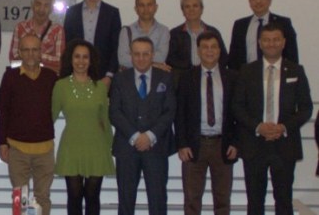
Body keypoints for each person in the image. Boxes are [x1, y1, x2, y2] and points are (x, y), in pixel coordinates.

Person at [232, 23, 312, 215]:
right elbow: (237, 106)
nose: (271, 43)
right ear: (260, 43)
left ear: (283, 42)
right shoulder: (247, 71)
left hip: (285, 145)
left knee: (284, 201)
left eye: (276, 39)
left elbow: (306, 108)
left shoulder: (296, 71)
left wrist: (283, 127)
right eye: (267, 40)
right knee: (255, 202)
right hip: (254, 145)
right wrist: (258, 127)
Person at [109, 37, 176, 215]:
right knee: (125, 201)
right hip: (126, 148)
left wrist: (150, 136)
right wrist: (135, 136)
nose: (141, 58)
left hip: (156, 148)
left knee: (158, 201)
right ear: (131, 55)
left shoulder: (166, 78)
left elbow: (170, 111)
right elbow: (114, 112)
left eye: (145, 54)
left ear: (152, 55)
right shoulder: (119, 79)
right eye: (137, 54)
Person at [175, 31, 238, 215]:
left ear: (219, 50)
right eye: (205, 47)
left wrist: (236, 142)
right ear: (198, 51)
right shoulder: (187, 77)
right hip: (195, 145)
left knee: (223, 199)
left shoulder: (232, 77)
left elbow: (238, 113)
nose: (209, 51)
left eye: (213, 47)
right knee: (192, 200)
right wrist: (182, 144)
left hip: (223, 144)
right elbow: (180, 113)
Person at [52, 39, 115, 215]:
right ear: (70, 59)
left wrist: (111, 146)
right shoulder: (60, 86)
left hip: (97, 148)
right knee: (74, 197)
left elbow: (105, 120)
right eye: (77, 56)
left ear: (91, 60)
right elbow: (50, 117)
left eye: (85, 57)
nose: (81, 61)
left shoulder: (100, 87)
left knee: (93, 196)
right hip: (71, 148)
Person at [0, 35, 58, 215]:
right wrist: (2, 143)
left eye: (35, 50)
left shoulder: (51, 77)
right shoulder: (10, 76)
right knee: (20, 198)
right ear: (20, 52)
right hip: (17, 149)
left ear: (41, 52)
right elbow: (4, 111)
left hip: (44, 150)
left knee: (42, 198)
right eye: (26, 50)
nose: (31, 54)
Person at [63, 0, 121, 87]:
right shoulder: (72, 12)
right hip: (76, 72)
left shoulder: (112, 13)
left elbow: (116, 47)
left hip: (103, 75)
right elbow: (68, 45)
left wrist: (109, 76)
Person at [228, 0, 298, 71]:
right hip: (247, 76)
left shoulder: (283, 23)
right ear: (249, 2)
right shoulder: (240, 25)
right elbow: (234, 57)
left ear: (270, 1)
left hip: (276, 74)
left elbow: (292, 54)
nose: (258, 1)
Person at [166, 0, 228, 77]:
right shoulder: (174, 34)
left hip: (210, 76)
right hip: (183, 78)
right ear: (182, 11)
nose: (191, 9)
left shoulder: (213, 32)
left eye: (195, 6)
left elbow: (223, 58)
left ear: (201, 9)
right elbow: (170, 60)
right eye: (187, 6)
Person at [8, 0, 65, 73]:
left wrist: (32, 55)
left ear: (51, 9)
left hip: (47, 77)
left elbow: (60, 61)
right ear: (32, 6)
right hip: (23, 76)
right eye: (38, 4)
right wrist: (43, 58)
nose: (41, 9)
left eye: (46, 5)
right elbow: (13, 57)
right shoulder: (20, 28)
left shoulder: (57, 30)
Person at [117, 0, 170, 71]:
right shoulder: (126, 31)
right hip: (130, 77)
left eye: (149, 5)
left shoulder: (164, 31)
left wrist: (135, 57)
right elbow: (123, 59)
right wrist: (154, 64)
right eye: (142, 5)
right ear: (136, 9)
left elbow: (161, 58)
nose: (146, 9)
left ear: (156, 7)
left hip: (155, 77)